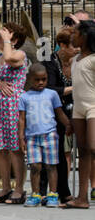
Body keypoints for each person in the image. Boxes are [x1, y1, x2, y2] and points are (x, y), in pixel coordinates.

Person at [0, 21, 30, 204]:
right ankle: (5, 188)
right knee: (0, 148)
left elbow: (10, 59)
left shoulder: (19, 54)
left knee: (15, 148)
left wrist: (8, 41)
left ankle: (19, 189)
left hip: (12, 105)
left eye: (3, 36)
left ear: (14, 39)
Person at [18, 65, 69, 208]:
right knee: (35, 166)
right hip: (32, 137)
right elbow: (22, 119)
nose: (41, 82)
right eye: (37, 80)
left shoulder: (52, 94)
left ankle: (53, 194)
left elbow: (59, 113)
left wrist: (69, 125)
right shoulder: (24, 96)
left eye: (44, 79)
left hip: (50, 135)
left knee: (51, 166)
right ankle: (36, 194)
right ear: (29, 79)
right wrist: (21, 137)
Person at [42, 27, 77, 203]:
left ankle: (64, 191)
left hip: (74, 109)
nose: (77, 48)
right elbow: (49, 89)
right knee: (52, 151)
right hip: (51, 112)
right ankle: (42, 191)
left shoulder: (79, 61)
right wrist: (72, 89)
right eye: (73, 45)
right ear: (62, 45)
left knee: (66, 153)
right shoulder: (50, 61)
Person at [65, 19, 95, 209]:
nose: (72, 36)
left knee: (93, 148)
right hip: (78, 109)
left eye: (75, 33)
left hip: (93, 106)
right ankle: (82, 198)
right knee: (82, 152)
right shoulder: (75, 60)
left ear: (84, 37)